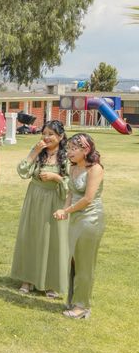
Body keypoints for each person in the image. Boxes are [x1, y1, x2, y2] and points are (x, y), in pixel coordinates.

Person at [11, 120, 70, 297]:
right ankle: (27, 279)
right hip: (34, 198)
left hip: (55, 200)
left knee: (52, 239)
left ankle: (50, 283)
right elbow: (22, 171)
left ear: (60, 136)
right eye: (44, 133)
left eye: (51, 134)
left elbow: (72, 183)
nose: (46, 137)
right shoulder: (39, 152)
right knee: (32, 236)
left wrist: (56, 177)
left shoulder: (66, 156)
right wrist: (34, 152)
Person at [53, 133, 105, 319]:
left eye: (74, 149)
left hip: (91, 219)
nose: (69, 153)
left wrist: (66, 212)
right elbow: (70, 193)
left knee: (85, 263)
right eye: (68, 149)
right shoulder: (73, 167)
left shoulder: (95, 169)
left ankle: (82, 307)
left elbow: (88, 198)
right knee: (73, 260)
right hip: (75, 218)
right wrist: (64, 209)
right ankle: (73, 300)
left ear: (86, 150)